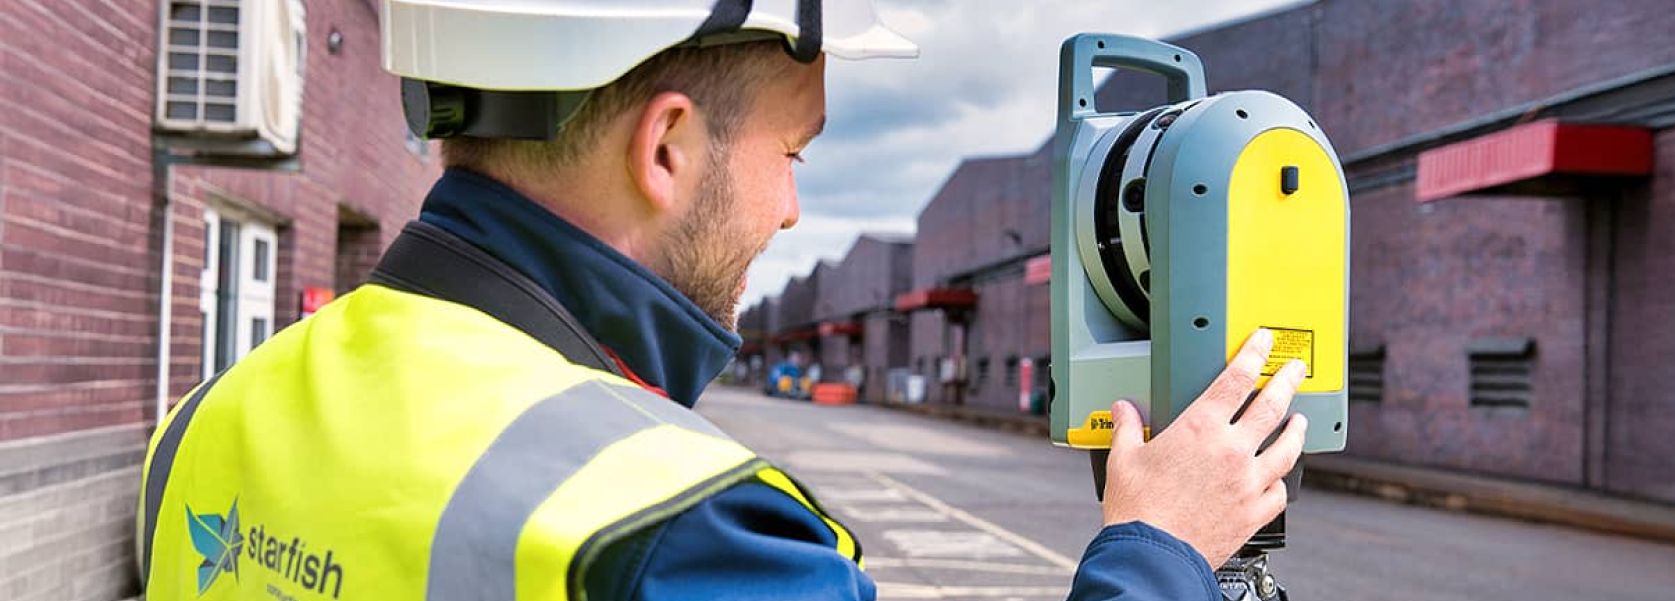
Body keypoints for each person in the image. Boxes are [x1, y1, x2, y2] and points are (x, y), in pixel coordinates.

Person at [135, 2, 1307, 599]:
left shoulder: (210, 419)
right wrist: (1157, 553)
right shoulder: (690, 537)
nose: (793, 211)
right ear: (669, 149)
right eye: (793, 152)